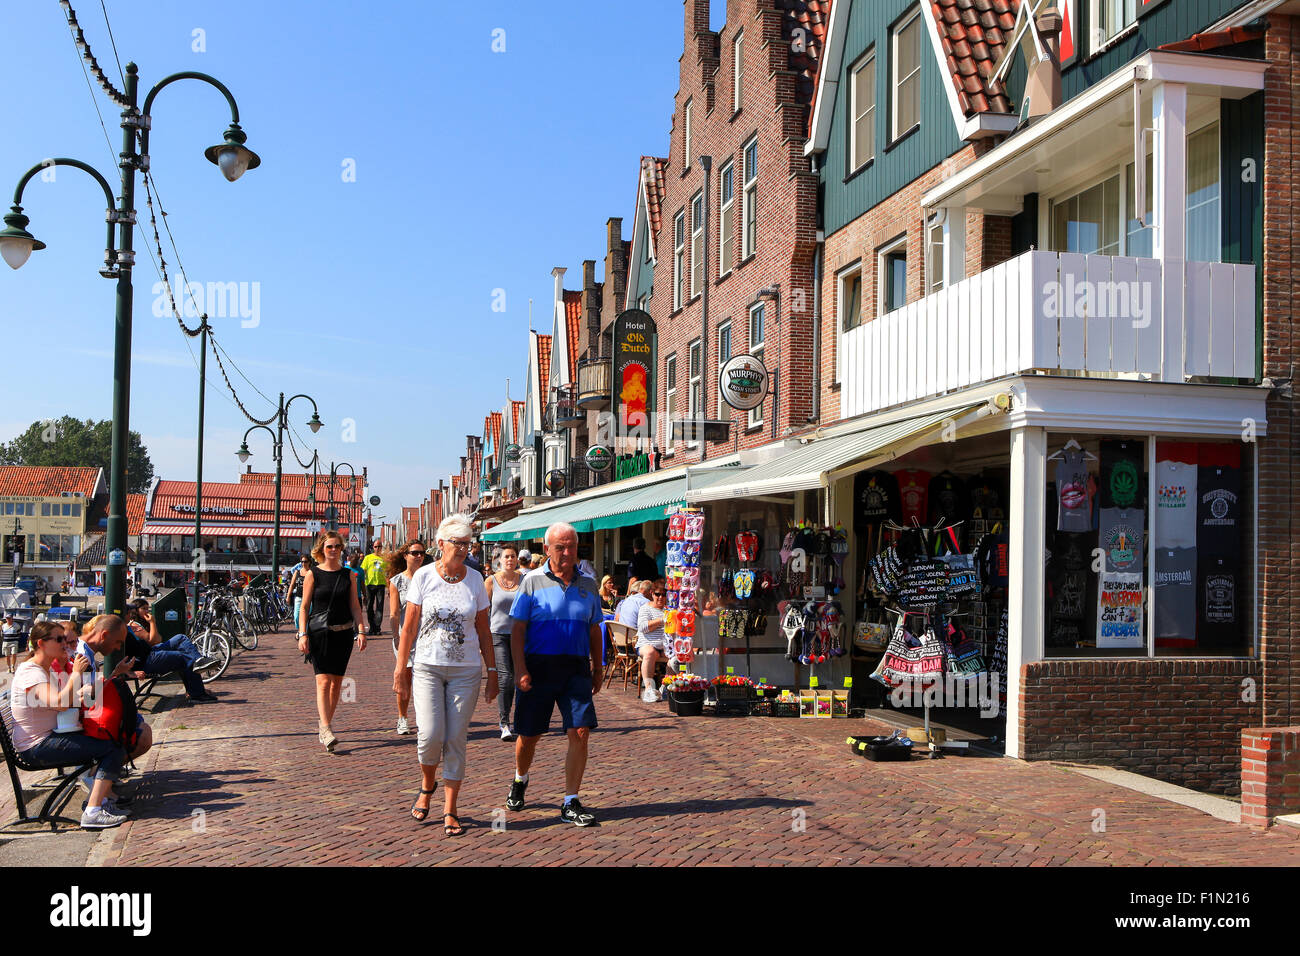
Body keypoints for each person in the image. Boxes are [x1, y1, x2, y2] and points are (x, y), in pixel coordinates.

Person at [394, 515, 497, 836]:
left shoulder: (476, 580)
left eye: (468, 544)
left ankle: (451, 808)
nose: (464, 549)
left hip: (466, 670)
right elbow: (409, 626)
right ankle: (427, 785)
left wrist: (492, 671)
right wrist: (401, 667)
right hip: (426, 666)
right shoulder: (423, 576)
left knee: (455, 738)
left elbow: (483, 629)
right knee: (430, 734)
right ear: (441, 545)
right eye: (458, 543)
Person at [506, 522, 604, 827]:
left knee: (580, 731)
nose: (566, 552)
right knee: (530, 735)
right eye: (559, 547)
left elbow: (594, 629)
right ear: (546, 549)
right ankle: (520, 779)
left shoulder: (588, 584)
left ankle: (570, 800)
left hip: (575, 667)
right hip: (538, 665)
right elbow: (518, 629)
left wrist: (597, 667)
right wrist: (520, 668)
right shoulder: (532, 581)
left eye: (571, 546)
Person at [11, 621, 130, 829]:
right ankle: (93, 811)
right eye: (59, 639)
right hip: (36, 747)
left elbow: (70, 700)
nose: (65, 644)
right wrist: (75, 673)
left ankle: (101, 800)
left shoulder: (46, 670)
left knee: (111, 740)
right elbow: (59, 703)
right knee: (112, 749)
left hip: (50, 737)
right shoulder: (31, 672)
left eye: (65, 640)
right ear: (41, 643)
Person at [298, 531, 369, 752]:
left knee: (337, 683)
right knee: (323, 682)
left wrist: (361, 630)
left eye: (337, 546)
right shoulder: (313, 574)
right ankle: (327, 729)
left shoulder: (349, 575)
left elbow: (355, 606)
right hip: (319, 634)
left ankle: (324, 724)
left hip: (343, 633)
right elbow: (304, 606)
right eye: (329, 547)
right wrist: (302, 633)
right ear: (322, 549)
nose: (334, 550)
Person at [74, 615, 154, 767]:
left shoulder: (88, 653)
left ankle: (102, 774)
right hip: (87, 719)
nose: (118, 648)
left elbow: (93, 694)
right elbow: (87, 699)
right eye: (117, 642)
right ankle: (96, 773)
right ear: (104, 635)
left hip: (91, 713)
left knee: (140, 726)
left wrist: (115, 673)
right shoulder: (82, 656)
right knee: (143, 735)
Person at [123, 601, 218, 705]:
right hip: (146, 660)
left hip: (150, 652)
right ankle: (197, 693)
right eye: (128, 613)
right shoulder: (125, 629)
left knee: (180, 638)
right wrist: (129, 672)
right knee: (183, 657)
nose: (131, 614)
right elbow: (116, 656)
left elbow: (158, 640)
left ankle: (199, 661)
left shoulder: (127, 627)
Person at [386, 539, 427, 735]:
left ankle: (424, 719)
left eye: (421, 553)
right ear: (406, 556)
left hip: (427, 636)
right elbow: (394, 613)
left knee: (426, 680)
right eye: (415, 553)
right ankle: (402, 718)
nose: (419, 556)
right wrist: (396, 636)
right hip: (406, 637)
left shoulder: (430, 577)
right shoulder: (397, 581)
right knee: (405, 678)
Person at [484, 543, 523, 742]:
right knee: (505, 678)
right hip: (498, 634)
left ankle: (521, 720)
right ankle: (504, 722)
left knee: (520, 679)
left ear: (517, 559)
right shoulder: (491, 581)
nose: (509, 560)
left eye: (512, 556)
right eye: (506, 556)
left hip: (520, 636)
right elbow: (481, 611)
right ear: (499, 560)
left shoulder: (525, 580)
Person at [636, 582, 673, 703]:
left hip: (665, 646)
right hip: (647, 643)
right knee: (650, 653)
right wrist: (661, 620)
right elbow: (643, 627)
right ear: (652, 594)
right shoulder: (645, 608)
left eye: (664, 594)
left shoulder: (670, 609)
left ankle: (666, 686)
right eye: (658, 594)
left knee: (675, 656)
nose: (661, 597)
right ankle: (649, 689)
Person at [361, 541, 389, 636]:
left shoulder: (384, 558)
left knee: (379, 607)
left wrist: (389, 587)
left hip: (380, 584)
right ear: (373, 547)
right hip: (369, 584)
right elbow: (363, 571)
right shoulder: (368, 558)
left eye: (379, 546)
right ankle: (372, 626)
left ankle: (377, 628)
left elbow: (388, 572)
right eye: (376, 546)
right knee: (369, 606)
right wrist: (361, 586)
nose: (378, 548)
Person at [286, 555, 314, 636]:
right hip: (299, 596)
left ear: (309, 562)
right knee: (296, 615)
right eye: (302, 562)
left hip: (309, 597)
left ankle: (304, 632)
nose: (303, 563)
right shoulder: (297, 572)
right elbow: (292, 584)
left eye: (305, 561)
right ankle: (300, 629)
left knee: (308, 615)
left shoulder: (311, 572)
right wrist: (288, 596)